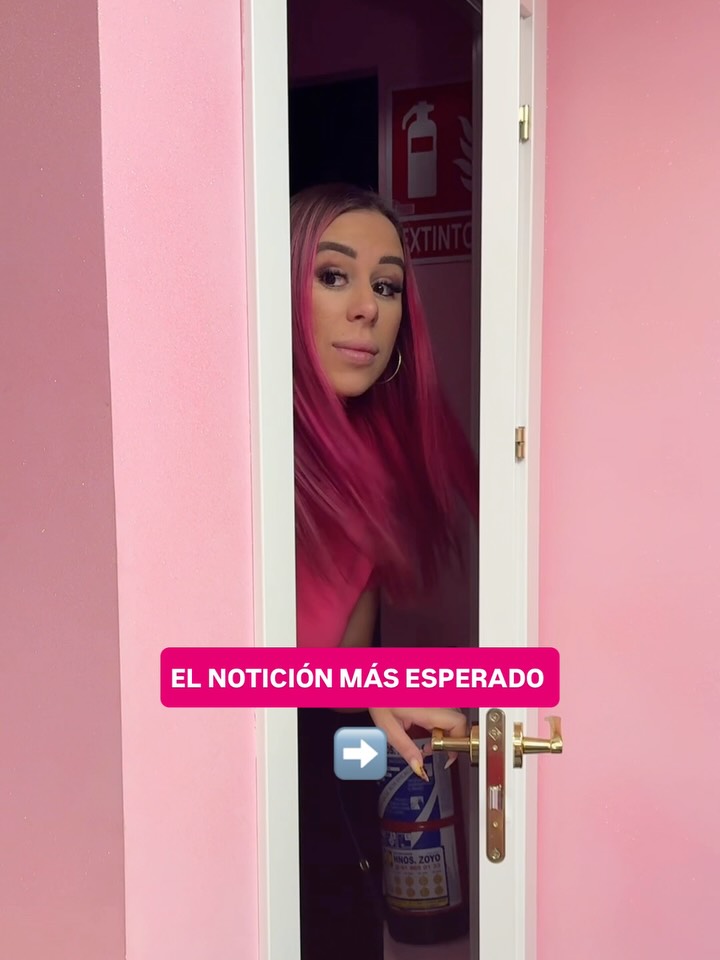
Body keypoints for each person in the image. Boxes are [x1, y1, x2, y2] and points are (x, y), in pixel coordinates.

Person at [291, 183, 478, 960]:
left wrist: (385, 695)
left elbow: (340, 680)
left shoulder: (372, 464)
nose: (367, 308)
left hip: (314, 792)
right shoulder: (244, 453)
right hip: (228, 797)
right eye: (334, 276)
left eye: (387, 285)